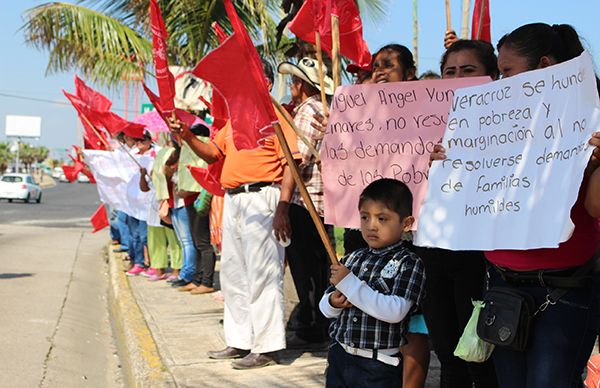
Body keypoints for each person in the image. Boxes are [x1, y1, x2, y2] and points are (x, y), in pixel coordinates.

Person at [431, 23, 600, 388]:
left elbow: (595, 207)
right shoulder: (489, 122)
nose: (499, 81)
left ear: (543, 65)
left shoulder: (587, 117)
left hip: (563, 291)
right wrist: (444, 164)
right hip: (502, 287)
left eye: (507, 71)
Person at [169, 60, 301, 369]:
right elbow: (214, 153)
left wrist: (283, 206)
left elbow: (290, 163)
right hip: (234, 200)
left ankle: (267, 347)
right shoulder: (234, 119)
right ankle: (240, 340)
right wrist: (187, 135)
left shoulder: (276, 114)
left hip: (263, 198)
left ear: (266, 83)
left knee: (263, 273)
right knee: (234, 275)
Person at [418, 39, 500, 388]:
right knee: (449, 356)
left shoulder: (509, 126)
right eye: (450, 71)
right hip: (434, 253)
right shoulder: (424, 125)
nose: (458, 78)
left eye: (469, 71)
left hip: (479, 257)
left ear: (492, 77)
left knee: (480, 359)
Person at [319, 178, 425, 388]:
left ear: (406, 223)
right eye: (365, 217)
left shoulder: (409, 263)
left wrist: (350, 284)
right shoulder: (352, 259)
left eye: (382, 219)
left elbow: (395, 311)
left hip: (378, 365)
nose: (371, 226)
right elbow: (325, 308)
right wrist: (333, 302)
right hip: (340, 356)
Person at [370, 43, 430, 388]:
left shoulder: (428, 108)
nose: (379, 71)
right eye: (376, 66)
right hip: (377, 232)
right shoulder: (364, 113)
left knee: (414, 325)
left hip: (415, 235)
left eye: (388, 66)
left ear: (409, 74)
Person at [277, 57, 334, 347]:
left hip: (307, 202)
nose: (290, 87)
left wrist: (283, 205)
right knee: (319, 267)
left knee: (307, 270)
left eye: (292, 82)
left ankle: (314, 327)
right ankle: (318, 324)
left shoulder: (307, 110)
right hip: (325, 202)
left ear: (300, 85)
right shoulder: (328, 107)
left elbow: (295, 160)